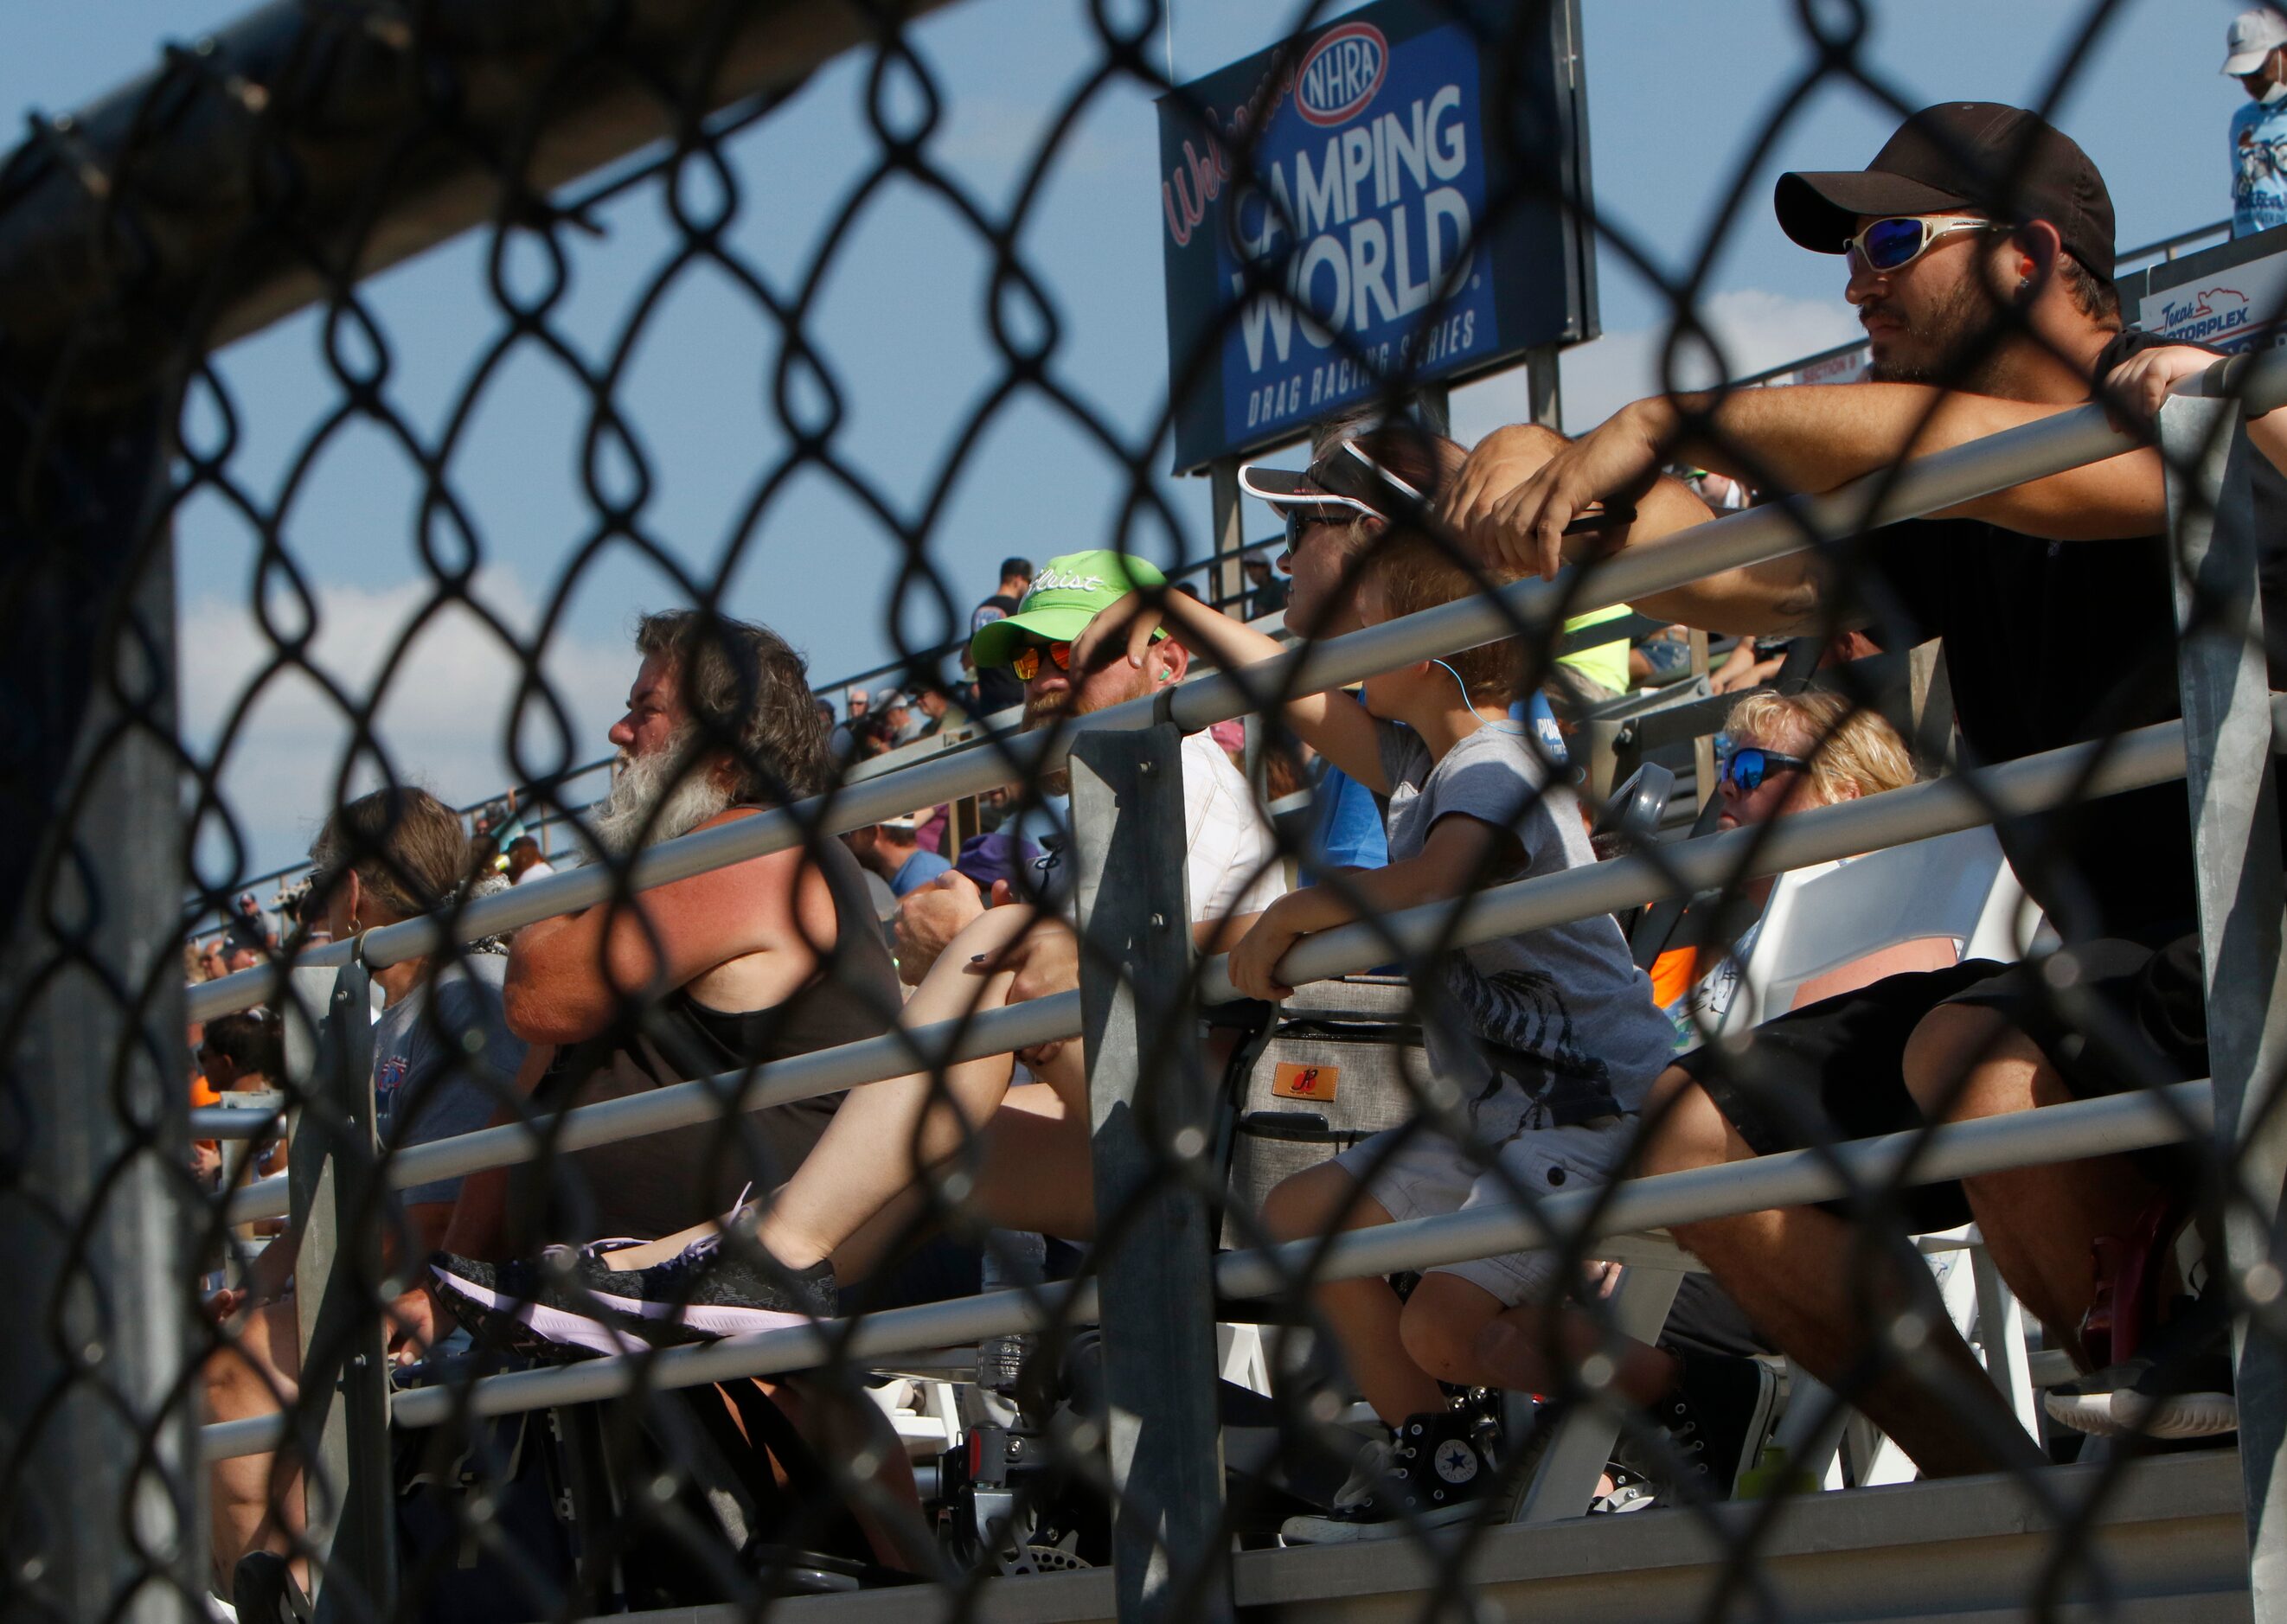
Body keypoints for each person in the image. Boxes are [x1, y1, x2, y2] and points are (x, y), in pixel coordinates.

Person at [1445, 101, 2265, 1472]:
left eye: (1893, 239)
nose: (1855, 278)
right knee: (1684, 1128)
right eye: (1848, 249)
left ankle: (2182, 1447)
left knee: (1981, 1064)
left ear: (2027, 256)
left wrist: (1677, 414)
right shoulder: (1941, 508)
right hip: (2104, 981)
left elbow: (2044, 482)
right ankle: (2005, 1499)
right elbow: (1707, 566)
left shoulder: (2181, 398)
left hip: (2245, 949)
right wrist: (1533, 465)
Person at [432, 553, 1284, 1349]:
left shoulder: (1181, 768)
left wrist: (1010, 952)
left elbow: (1218, 957)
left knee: (988, 951)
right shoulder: (1107, 800)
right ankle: (693, 1268)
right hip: (1140, 1117)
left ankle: (753, 1264)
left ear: (1167, 663)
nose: (1045, 680)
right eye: (1028, 664)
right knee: (904, 1139)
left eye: (1076, 651)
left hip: (1210, 1139)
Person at [1095, 450, 1672, 1541]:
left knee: (1444, 1332)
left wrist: (1303, 910)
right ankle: (1442, 1457)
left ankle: (1671, 1399)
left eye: (1380, 634)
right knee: (1301, 1214)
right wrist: (1169, 603)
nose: (1353, 654)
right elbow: (1287, 688)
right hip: (1492, 1107)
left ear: (1435, 655)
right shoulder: (1420, 760)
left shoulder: (1497, 762)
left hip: (1590, 1103)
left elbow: (1436, 884)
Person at [202, 786, 527, 1589]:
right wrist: (257, 1287)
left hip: (439, 1292)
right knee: (211, 1340)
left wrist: (290, 1296)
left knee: (230, 1370)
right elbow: (328, 1213)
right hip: (375, 1277)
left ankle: (282, 1598)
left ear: (352, 892)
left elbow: (436, 1215)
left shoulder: (464, 1002)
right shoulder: (387, 1018)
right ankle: (273, 1586)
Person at [1662, 691, 1948, 1049]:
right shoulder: (1783, 918)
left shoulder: (1881, 917)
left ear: (1843, 796)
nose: (1726, 786)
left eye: (1750, 769)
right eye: (1728, 768)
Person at [2226, 7, 2287, 237]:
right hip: (2251, 255)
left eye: (2257, 71)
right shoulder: (2241, 120)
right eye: (2241, 74)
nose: (2249, 83)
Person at [969, 557, 1035, 719]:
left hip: (989, 699)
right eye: (1027, 582)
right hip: (1016, 695)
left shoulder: (980, 610)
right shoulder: (1017, 609)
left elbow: (972, 654)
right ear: (1018, 580)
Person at [845, 814, 953, 898]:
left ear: (873, 832)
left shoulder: (923, 873)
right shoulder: (910, 870)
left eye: (852, 831)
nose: (846, 839)